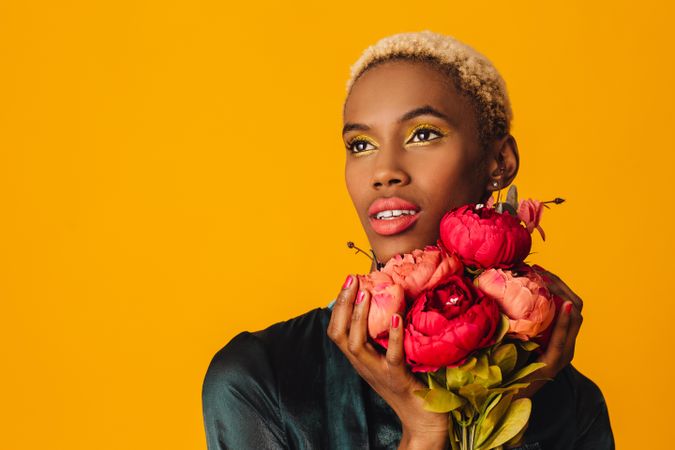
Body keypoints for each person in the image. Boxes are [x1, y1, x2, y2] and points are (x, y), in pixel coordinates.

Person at [201, 30, 615, 450]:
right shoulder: (258, 378)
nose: (384, 170)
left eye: (422, 134)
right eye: (360, 144)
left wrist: (506, 406)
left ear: (499, 163)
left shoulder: (568, 401)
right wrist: (424, 434)